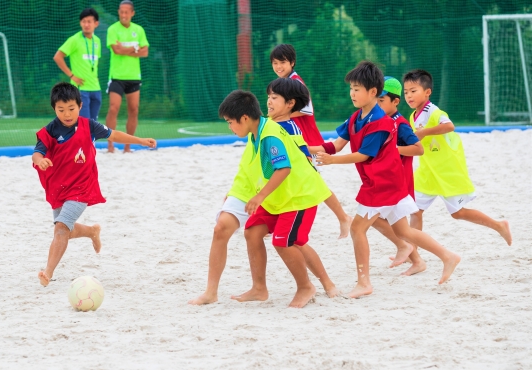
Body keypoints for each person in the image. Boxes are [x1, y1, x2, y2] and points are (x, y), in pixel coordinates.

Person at [315, 61, 460, 298]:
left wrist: (332, 161)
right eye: (351, 88)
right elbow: (335, 145)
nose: (352, 93)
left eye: (357, 88)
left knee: (357, 228)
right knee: (405, 231)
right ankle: (448, 256)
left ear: (373, 92)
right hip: (385, 182)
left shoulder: (381, 122)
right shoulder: (354, 118)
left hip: (382, 183)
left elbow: (363, 155)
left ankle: (364, 282)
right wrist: (302, 147)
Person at [188, 89, 339, 306]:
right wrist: (236, 193)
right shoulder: (256, 131)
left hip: (295, 197)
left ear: (245, 118)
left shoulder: (270, 133)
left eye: (231, 122)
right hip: (272, 197)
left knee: (288, 242)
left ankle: (308, 286)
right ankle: (255, 288)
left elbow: (284, 168)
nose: (229, 127)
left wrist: (259, 196)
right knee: (248, 231)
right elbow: (252, 168)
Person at [32, 82, 156, 287]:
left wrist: (140, 141)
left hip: (81, 187)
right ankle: (91, 231)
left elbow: (114, 135)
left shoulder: (89, 125)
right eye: (61, 110)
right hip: (58, 188)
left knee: (61, 228)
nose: (67, 114)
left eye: (71, 108)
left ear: (80, 106)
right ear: (54, 109)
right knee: (64, 231)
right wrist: (40, 160)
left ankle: (48, 272)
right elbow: (38, 152)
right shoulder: (51, 130)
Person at [403, 69, 512, 246]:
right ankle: (412, 252)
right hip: (427, 171)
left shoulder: (434, 111)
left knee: (458, 213)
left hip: (446, 171)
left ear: (427, 92)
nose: (409, 95)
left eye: (413, 91)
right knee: (415, 211)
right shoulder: (413, 115)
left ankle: (499, 225)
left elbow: (449, 126)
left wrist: (425, 132)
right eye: (406, 92)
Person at [269, 44, 352, 239]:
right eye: (275, 63)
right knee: (288, 176)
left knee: (313, 181)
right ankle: (275, 219)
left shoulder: (296, 82)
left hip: (304, 139)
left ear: (292, 62)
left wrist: (277, 114)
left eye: (282, 62)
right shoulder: (284, 82)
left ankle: (343, 217)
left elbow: (306, 109)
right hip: (293, 138)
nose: (278, 66)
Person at [372, 76, 428, 276]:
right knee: (393, 224)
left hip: (399, 181)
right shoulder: (382, 120)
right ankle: (414, 257)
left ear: (395, 101)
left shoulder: (401, 124)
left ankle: (417, 254)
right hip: (387, 179)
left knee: (375, 219)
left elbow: (418, 149)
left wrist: (393, 150)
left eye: (381, 100)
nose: (377, 105)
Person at [105, 0, 149, 153]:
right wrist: (135, 48)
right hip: (117, 76)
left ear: (132, 13)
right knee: (113, 108)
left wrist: (125, 48)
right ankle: (110, 145)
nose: (123, 15)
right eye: (121, 12)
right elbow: (116, 50)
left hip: (133, 76)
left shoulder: (139, 30)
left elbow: (145, 52)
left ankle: (127, 146)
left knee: (134, 110)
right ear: (119, 12)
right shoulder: (112, 29)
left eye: (126, 12)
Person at [53, 8, 103, 121]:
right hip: (81, 89)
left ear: (96, 23)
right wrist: (72, 76)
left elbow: (94, 63)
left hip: (96, 88)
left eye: (89, 21)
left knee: (93, 124)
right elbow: (57, 57)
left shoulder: (97, 41)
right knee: (83, 123)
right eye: (84, 21)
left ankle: (89, 140)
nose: (86, 24)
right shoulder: (74, 40)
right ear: (80, 23)